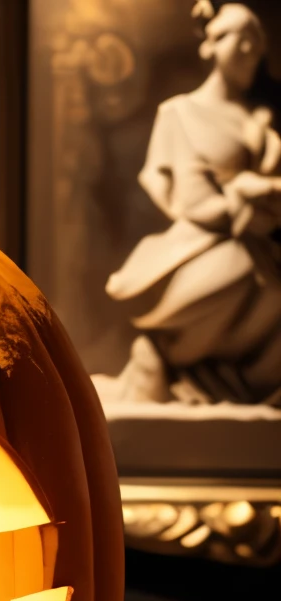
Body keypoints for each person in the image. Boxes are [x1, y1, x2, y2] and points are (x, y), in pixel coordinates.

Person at [104, 3, 281, 405]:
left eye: (256, 43)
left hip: (265, 240)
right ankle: (168, 364)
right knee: (244, 275)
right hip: (209, 242)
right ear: (214, 45)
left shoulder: (264, 117)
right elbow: (194, 201)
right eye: (242, 39)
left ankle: (237, 386)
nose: (250, 51)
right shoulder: (181, 113)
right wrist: (244, 193)